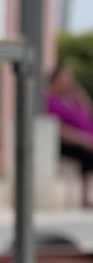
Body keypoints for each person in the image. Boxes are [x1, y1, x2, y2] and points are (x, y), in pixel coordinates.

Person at [45, 64, 93, 208]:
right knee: (87, 155)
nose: (69, 80)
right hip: (67, 144)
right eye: (65, 77)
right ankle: (84, 198)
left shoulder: (73, 99)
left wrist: (83, 97)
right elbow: (60, 129)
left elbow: (88, 115)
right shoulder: (51, 101)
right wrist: (84, 140)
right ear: (56, 80)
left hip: (86, 139)